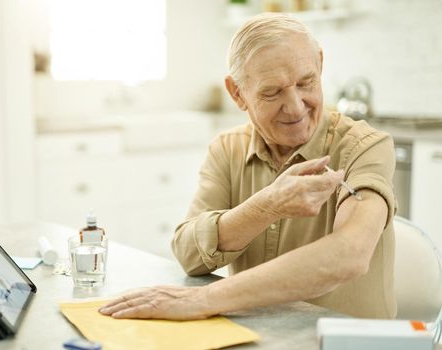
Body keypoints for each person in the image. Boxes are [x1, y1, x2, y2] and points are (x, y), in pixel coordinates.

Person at [99, 12, 396, 321]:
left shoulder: (366, 146)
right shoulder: (227, 149)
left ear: (320, 64)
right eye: (272, 92)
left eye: (306, 82)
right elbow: (189, 254)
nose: (295, 107)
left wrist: (204, 299)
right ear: (237, 93)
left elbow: (349, 255)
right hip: (258, 337)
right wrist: (267, 205)